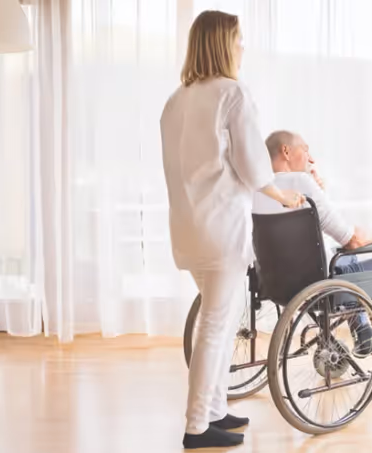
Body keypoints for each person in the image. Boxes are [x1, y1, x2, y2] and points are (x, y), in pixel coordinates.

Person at [160, 11, 306, 450]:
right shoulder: (232, 94)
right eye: (238, 40)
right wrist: (284, 196)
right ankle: (196, 427)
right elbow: (253, 166)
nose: (243, 47)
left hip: (188, 228)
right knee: (215, 325)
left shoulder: (175, 101)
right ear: (223, 44)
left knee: (220, 321)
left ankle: (215, 409)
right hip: (220, 230)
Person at [251, 130, 372, 365]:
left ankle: (363, 333)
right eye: (306, 150)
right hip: (320, 286)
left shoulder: (258, 188)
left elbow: (305, 240)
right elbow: (352, 239)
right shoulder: (301, 183)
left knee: (346, 257)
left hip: (275, 283)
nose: (311, 159)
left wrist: (319, 192)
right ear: (286, 151)